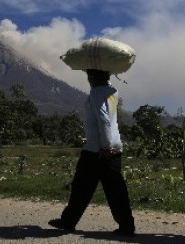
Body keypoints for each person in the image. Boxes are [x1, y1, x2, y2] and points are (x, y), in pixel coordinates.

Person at [48, 69, 135, 236]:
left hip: (98, 149)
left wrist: (105, 146)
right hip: (114, 147)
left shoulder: (96, 93)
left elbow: (103, 119)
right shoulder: (113, 91)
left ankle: (68, 221)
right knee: (116, 189)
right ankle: (127, 225)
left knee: (81, 187)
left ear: (92, 77)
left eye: (89, 75)